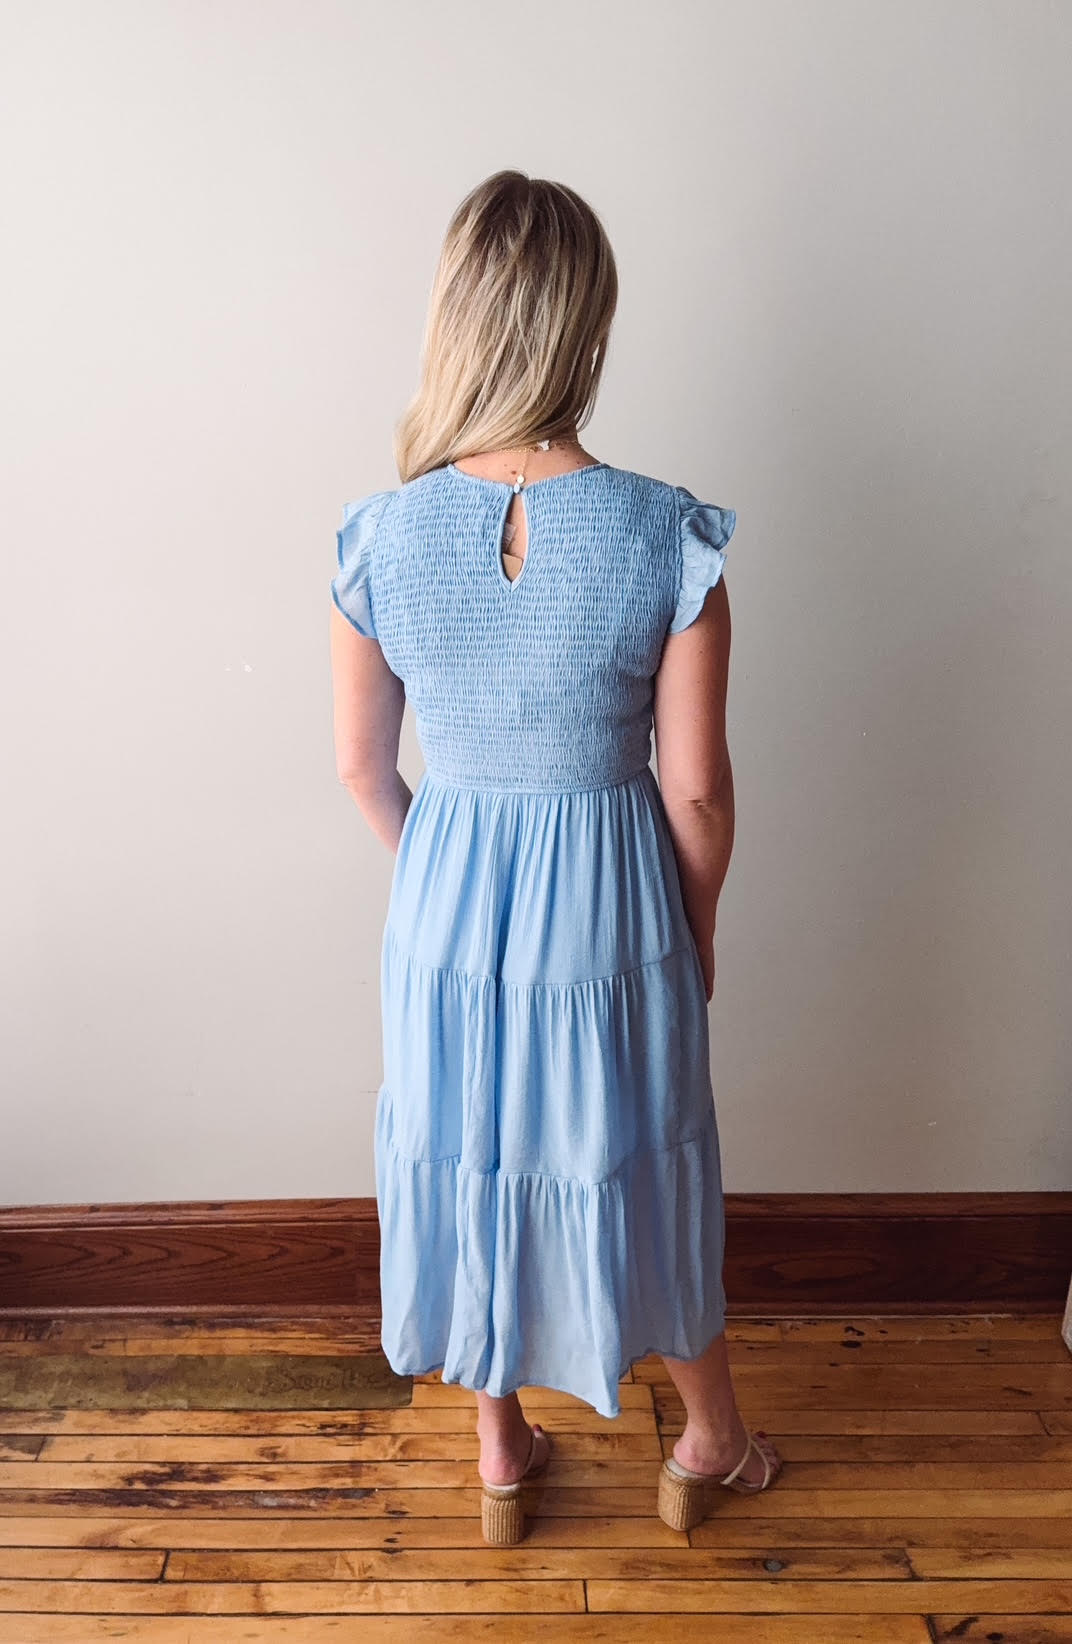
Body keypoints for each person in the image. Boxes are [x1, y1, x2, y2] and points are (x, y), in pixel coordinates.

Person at [329, 168, 783, 1543]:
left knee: (470, 1155)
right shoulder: (667, 532)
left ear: (457, 318)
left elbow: (362, 768)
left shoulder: (381, 534)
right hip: (613, 902)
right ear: (587, 321)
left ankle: (503, 1454)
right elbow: (695, 790)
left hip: (446, 900)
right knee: (635, 1153)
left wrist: (445, 885)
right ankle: (707, 1443)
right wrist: (691, 923)